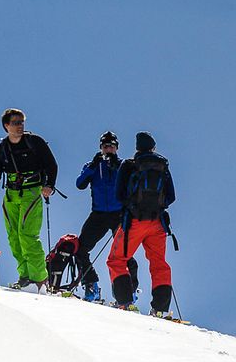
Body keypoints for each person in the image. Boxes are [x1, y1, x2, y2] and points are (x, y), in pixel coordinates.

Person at [0, 109, 58, 289]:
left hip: (32, 192)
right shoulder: (0, 149)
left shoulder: (35, 142)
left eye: (22, 122)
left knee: (27, 235)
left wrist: (49, 185)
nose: (20, 126)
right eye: (15, 122)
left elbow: (51, 164)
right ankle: (25, 276)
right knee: (14, 237)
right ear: (6, 126)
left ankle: (39, 280)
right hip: (10, 195)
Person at [108, 132, 175, 315]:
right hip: (158, 222)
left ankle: (125, 302)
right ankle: (160, 309)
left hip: (134, 222)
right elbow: (171, 196)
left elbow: (119, 194)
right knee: (159, 263)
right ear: (153, 147)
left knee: (116, 259)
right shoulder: (162, 165)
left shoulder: (129, 165)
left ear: (137, 147)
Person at [74, 130, 126, 302]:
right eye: (105, 146)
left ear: (117, 148)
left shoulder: (123, 165)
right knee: (80, 249)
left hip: (119, 214)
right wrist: (92, 166)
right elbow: (80, 184)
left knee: (125, 253)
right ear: (101, 148)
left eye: (111, 146)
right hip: (98, 214)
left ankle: (127, 293)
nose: (108, 149)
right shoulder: (94, 165)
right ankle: (91, 285)